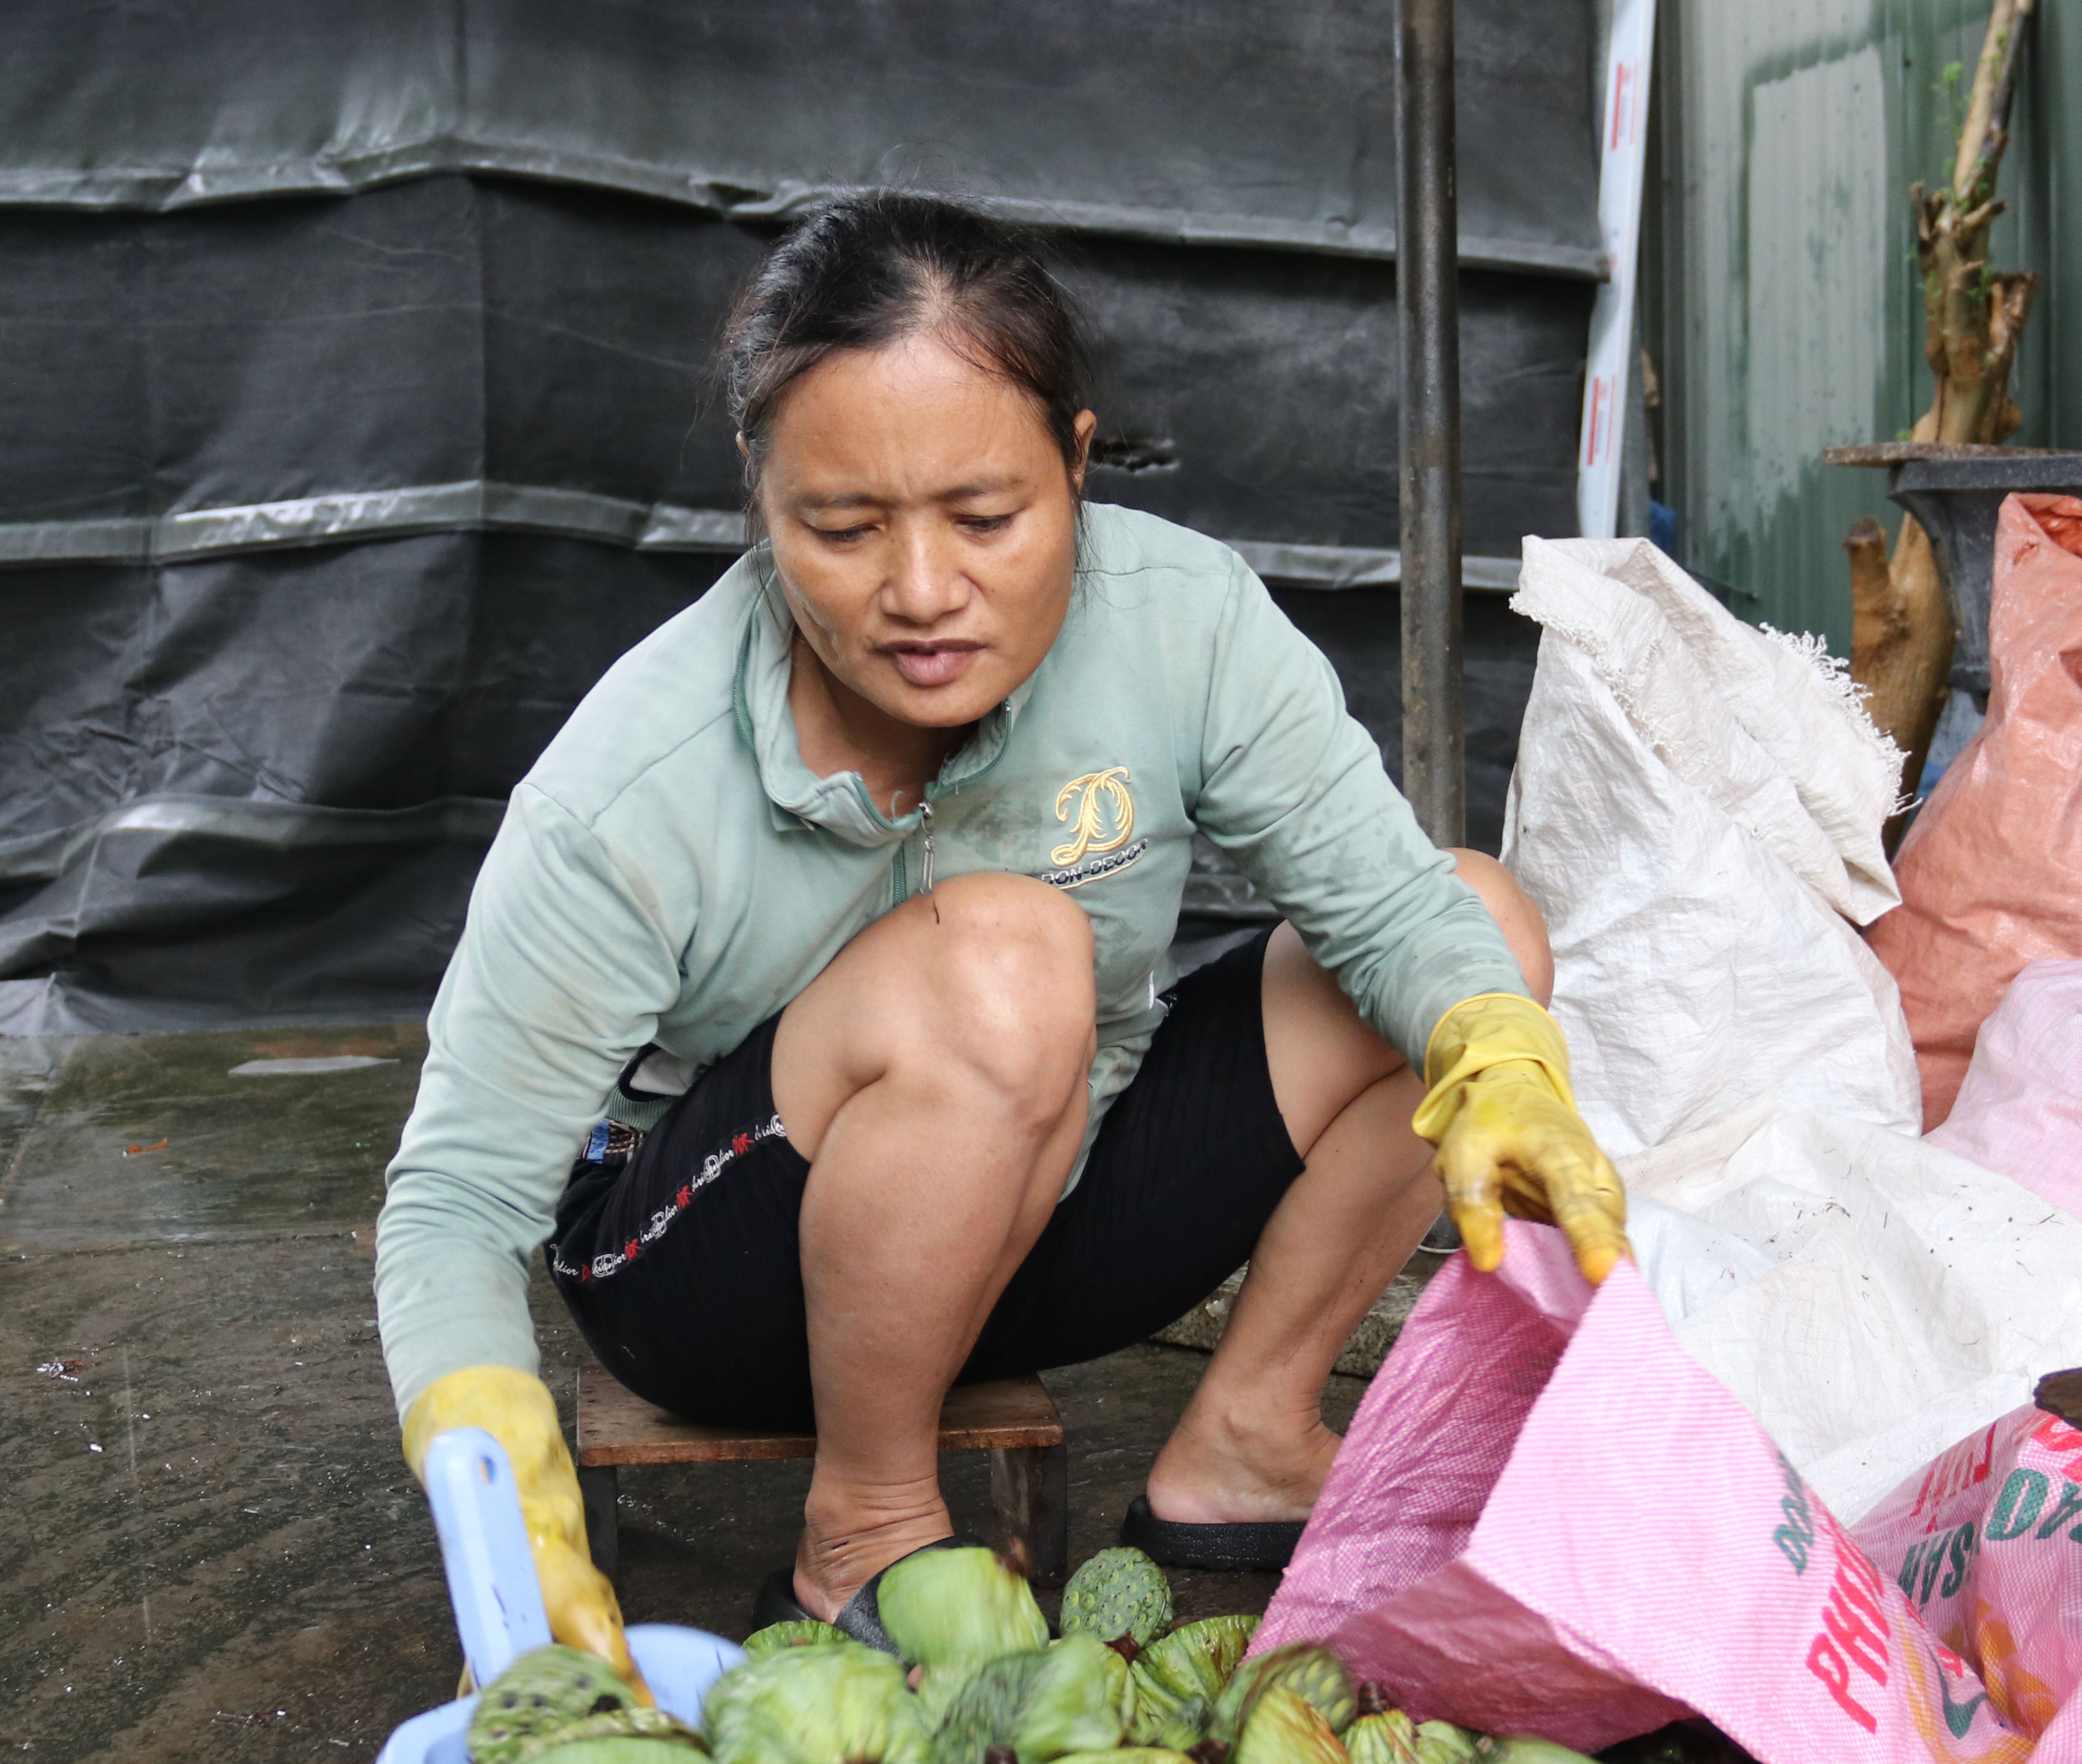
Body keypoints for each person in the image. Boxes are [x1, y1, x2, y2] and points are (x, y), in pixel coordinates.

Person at [374, 191, 1624, 1661]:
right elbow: (456, 1200)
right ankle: (866, 1529)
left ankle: (1245, 1433)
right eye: (840, 526)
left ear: (1077, 463)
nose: (921, 593)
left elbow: (1397, 910)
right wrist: (493, 1474)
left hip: (1046, 1193)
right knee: (1013, 957)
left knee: (1476, 932)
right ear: (760, 495)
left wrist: (1505, 1059)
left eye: (987, 518)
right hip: (718, 1280)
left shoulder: (1182, 623)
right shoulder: (634, 783)